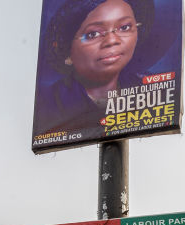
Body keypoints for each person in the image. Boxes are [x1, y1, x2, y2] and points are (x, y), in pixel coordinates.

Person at [34, 0, 153, 135]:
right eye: (93, 34)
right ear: (67, 53)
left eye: (124, 27)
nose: (112, 40)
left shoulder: (151, 88)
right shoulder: (48, 106)